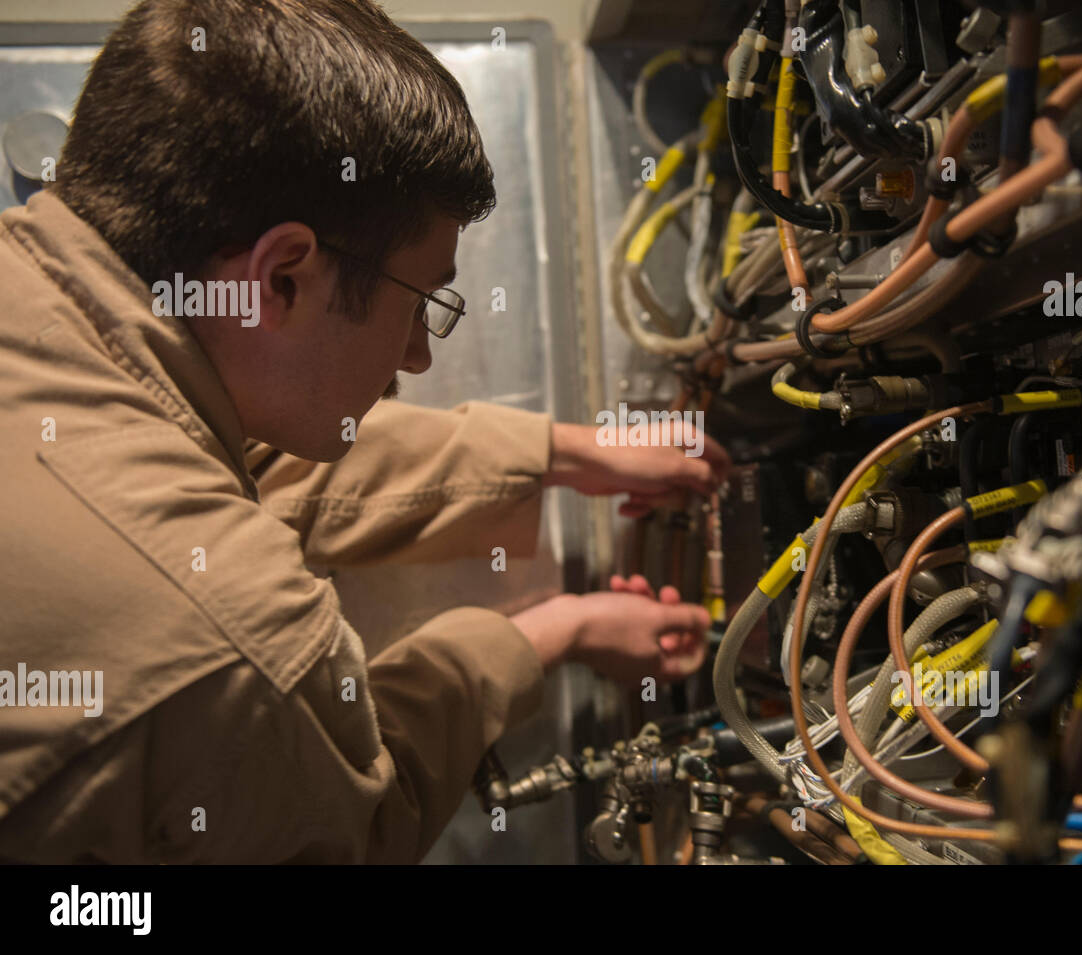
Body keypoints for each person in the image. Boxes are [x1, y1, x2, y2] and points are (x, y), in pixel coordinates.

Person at [0, 0, 728, 863]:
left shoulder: (47, 302)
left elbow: (217, 455)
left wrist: (562, 454)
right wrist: (547, 634)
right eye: (421, 301)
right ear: (279, 279)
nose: (418, 357)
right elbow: (365, 826)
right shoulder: (231, 635)